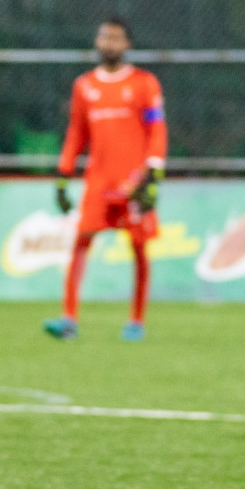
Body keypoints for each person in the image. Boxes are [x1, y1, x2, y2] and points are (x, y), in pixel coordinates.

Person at [44, 18, 166, 342]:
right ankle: (69, 317)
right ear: (97, 42)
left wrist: (154, 172)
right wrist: (63, 173)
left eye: (116, 38)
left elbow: (157, 129)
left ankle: (136, 320)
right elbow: (76, 133)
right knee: (81, 242)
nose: (109, 43)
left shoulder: (144, 83)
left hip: (133, 180)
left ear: (127, 44)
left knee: (138, 248)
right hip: (98, 180)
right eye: (104, 36)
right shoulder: (84, 86)